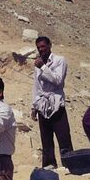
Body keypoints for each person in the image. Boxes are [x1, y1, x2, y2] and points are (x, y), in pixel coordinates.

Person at [31, 36, 73, 169]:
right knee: (46, 136)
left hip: (56, 102)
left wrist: (43, 67)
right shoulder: (38, 63)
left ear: (49, 45)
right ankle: (49, 163)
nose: (41, 50)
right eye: (38, 47)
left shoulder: (59, 60)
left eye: (43, 46)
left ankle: (70, 163)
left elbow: (58, 80)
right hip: (43, 104)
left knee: (63, 134)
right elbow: (37, 86)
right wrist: (34, 106)